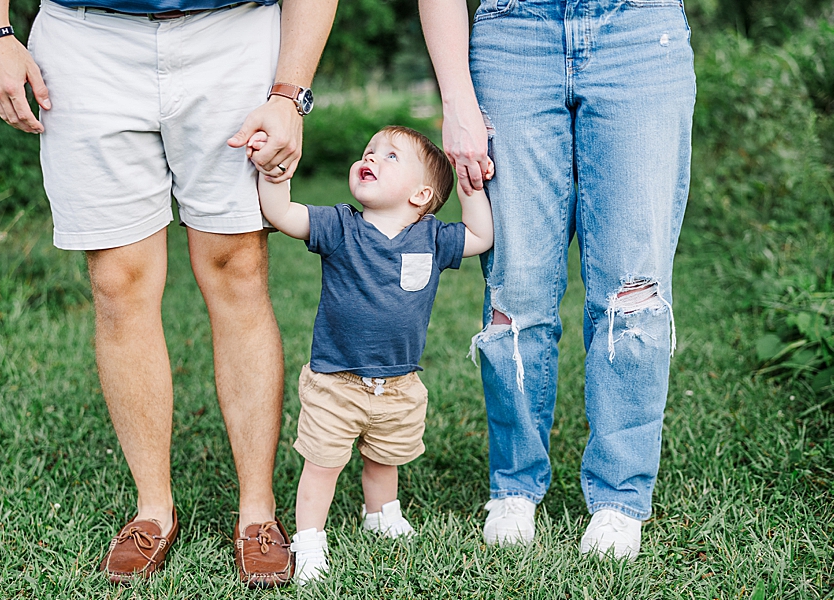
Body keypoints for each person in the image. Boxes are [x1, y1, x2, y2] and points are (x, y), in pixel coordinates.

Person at [0, 0, 337, 586]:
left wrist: (290, 93)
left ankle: (258, 513)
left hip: (234, 35)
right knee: (117, 281)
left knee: (238, 269)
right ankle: (153, 509)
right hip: (86, 41)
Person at [419, 0, 696, 559]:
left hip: (639, 33)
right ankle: (514, 487)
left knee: (632, 291)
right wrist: (456, 97)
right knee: (515, 288)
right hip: (512, 37)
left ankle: (620, 497)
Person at [249, 125, 493, 583]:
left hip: (399, 382)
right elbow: (281, 214)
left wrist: (470, 187)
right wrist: (275, 175)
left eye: (391, 156)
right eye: (369, 151)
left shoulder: (432, 238)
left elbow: (481, 236)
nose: (373, 157)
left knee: (386, 456)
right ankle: (310, 539)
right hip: (336, 381)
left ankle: (381, 514)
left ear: (421, 195)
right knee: (323, 464)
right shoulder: (339, 227)